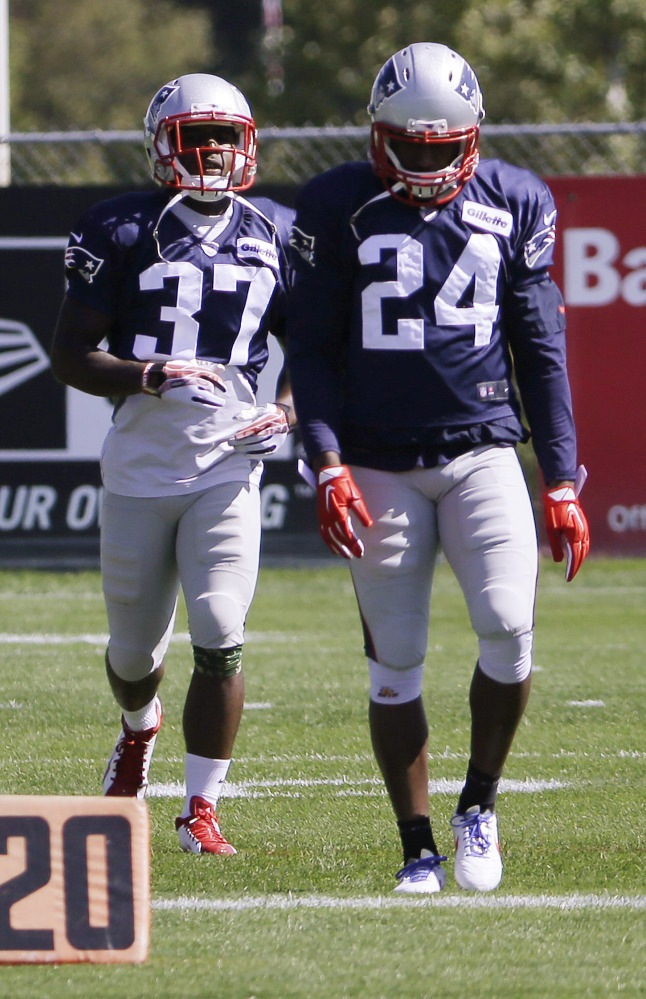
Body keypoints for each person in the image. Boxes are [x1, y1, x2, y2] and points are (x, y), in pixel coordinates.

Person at [287, 42, 590, 893]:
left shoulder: (517, 201)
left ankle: (479, 804)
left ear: (473, 137)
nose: (424, 163)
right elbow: (308, 348)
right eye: (407, 146)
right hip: (377, 459)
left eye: (440, 146)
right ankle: (415, 840)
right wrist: (326, 459)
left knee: (507, 625)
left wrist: (561, 476)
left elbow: (540, 347)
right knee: (397, 660)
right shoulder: (336, 203)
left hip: (482, 447)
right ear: (377, 135)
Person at [50, 73, 295, 855]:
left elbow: (319, 348)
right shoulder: (120, 227)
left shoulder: (279, 230)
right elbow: (70, 355)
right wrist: (148, 373)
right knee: (133, 654)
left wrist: (285, 407)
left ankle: (201, 807)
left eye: (227, 136)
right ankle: (137, 727)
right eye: (199, 136)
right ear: (164, 144)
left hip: (228, 465)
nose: (215, 151)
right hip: (140, 466)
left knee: (221, 628)